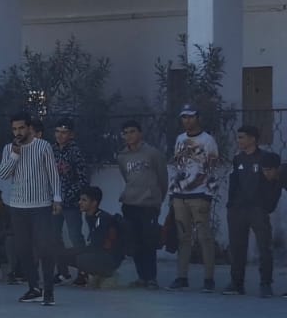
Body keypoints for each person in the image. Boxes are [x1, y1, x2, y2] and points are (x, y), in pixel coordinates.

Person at [0, 112, 63, 306]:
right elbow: (4, 174)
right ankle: (34, 288)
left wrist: (57, 198)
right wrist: (14, 155)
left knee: (44, 248)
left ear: (29, 128)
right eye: (14, 129)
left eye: (21, 128)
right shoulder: (9, 149)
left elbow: (53, 174)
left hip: (41, 205)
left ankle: (48, 291)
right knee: (23, 249)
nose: (18, 132)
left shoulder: (43, 146)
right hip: (18, 206)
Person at [167, 106, 222, 292]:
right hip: (180, 195)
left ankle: (209, 278)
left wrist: (209, 195)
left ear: (197, 118)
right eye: (184, 117)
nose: (187, 121)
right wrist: (173, 192)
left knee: (204, 237)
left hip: (200, 195)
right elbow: (178, 166)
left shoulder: (208, 140)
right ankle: (182, 277)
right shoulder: (180, 139)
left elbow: (213, 169)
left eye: (190, 117)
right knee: (183, 237)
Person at [224, 125, 280, 297]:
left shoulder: (265, 158)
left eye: (242, 137)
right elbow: (233, 182)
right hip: (238, 209)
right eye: (238, 137)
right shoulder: (238, 159)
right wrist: (231, 205)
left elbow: (273, 184)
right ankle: (237, 283)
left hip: (258, 209)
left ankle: (265, 283)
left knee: (264, 247)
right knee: (237, 247)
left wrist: (266, 206)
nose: (239, 140)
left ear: (253, 139)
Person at [115, 121, 167, 290]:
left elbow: (162, 179)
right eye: (125, 132)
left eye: (132, 131)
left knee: (149, 242)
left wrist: (157, 199)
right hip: (130, 204)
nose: (129, 135)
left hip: (149, 205)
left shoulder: (153, 153)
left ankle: (151, 278)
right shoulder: (122, 157)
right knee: (135, 242)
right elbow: (126, 178)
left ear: (140, 133)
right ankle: (141, 277)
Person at [60, 186, 123, 288]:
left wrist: (77, 251)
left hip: (109, 257)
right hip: (101, 253)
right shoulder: (90, 216)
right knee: (66, 254)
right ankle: (98, 274)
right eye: (80, 199)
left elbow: (98, 246)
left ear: (94, 203)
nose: (80, 202)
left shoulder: (101, 219)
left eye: (84, 200)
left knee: (79, 258)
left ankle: (107, 274)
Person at [52, 118, 91, 281]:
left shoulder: (76, 152)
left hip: (71, 203)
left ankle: (83, 271)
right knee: (54, 236)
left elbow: (83, 179)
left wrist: (67, 196)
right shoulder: (52, 150)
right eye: (57, 132)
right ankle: (62, 271)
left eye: (64, 132)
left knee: (75, 236)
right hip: (54, 202)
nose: (60, 135)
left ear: (71, 134)